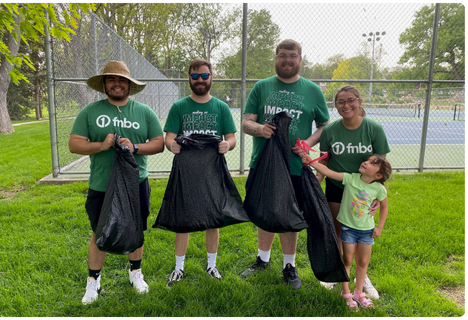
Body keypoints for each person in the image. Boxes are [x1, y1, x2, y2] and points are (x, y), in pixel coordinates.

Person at [69, 60, 164, 304]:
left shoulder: (144, 112)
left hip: (136, 183)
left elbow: (158, 143)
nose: (117, 84)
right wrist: (101, 145)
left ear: (130, 85)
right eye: (112, 79)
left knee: (136, 229)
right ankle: (93, 281)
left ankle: (135, 272)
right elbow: (74, 143)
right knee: (99, 231)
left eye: (122, 80)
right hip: (101, 184)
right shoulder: (90, 111)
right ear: (104, 84)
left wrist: (136, 147)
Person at [241, 39, 330, 289]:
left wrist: (307, 143)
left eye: (292, 56)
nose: (287, 60)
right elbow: (247, 122)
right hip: (264, 163)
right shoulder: (262, 87)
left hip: (294, 165)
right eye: (282, 55)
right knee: (264, 211)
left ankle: (289, 265)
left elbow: (324, 125)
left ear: (300, 59)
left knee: (291, 214)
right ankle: (263, 259)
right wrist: (260, 129)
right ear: (276, 58)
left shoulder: (312, 90)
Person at [164, 58, 237, 287]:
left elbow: (232, 137)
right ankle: (178, 268)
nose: (200, 80)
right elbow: (169, 136)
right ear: (189, 78)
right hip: (186, 170)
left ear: (211, 77)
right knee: (183, 219)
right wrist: (171, 144)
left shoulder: (221, 107)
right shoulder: (179, 107)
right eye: (195, 76)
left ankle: (211, 265)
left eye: (205, 76)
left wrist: (228, 145)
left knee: (213, 218)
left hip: (212, 170)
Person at [316, 85, 390, 298]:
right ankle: (338, 273)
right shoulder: (330, 130)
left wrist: (379, 193)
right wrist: (316, 184)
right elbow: (324, 160)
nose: (346, 105)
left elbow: (381, 164)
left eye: (351, 100)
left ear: (359, 102)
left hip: (364, 193)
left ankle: (361, 276)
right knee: (339, 232)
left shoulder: (373, 128)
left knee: (361, 233)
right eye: (341, 102)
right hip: (338, 187)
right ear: (336, 105)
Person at [303, 153, 391, 310]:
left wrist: (379, 227)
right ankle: (346, 293)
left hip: (366, 231)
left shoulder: (379, 189)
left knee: (363, 262)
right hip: (348, 229)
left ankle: (359, 293)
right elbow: (330, 173)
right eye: (368, 160)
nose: (365, 162)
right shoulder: (351, 178)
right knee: (347, 260)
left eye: (371, 163)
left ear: (378, 175)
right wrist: (311, 162)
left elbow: (384, 207)